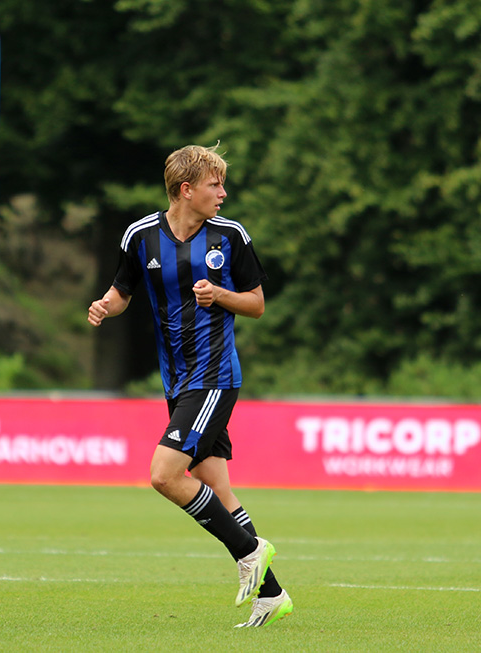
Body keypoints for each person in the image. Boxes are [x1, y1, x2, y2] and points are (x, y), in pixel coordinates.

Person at [87, 144, 292, 628]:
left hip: (215, 376)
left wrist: (220, 294)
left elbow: (258, 304)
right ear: (186, 190)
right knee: (216, 487)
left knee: (163, 474)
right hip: (176, 381)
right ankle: (270, 595)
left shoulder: (231, 236)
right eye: (214, 185)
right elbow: (123, 291)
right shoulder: (141, 236)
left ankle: (249, 551)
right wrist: (104, 305)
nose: (223, 193)